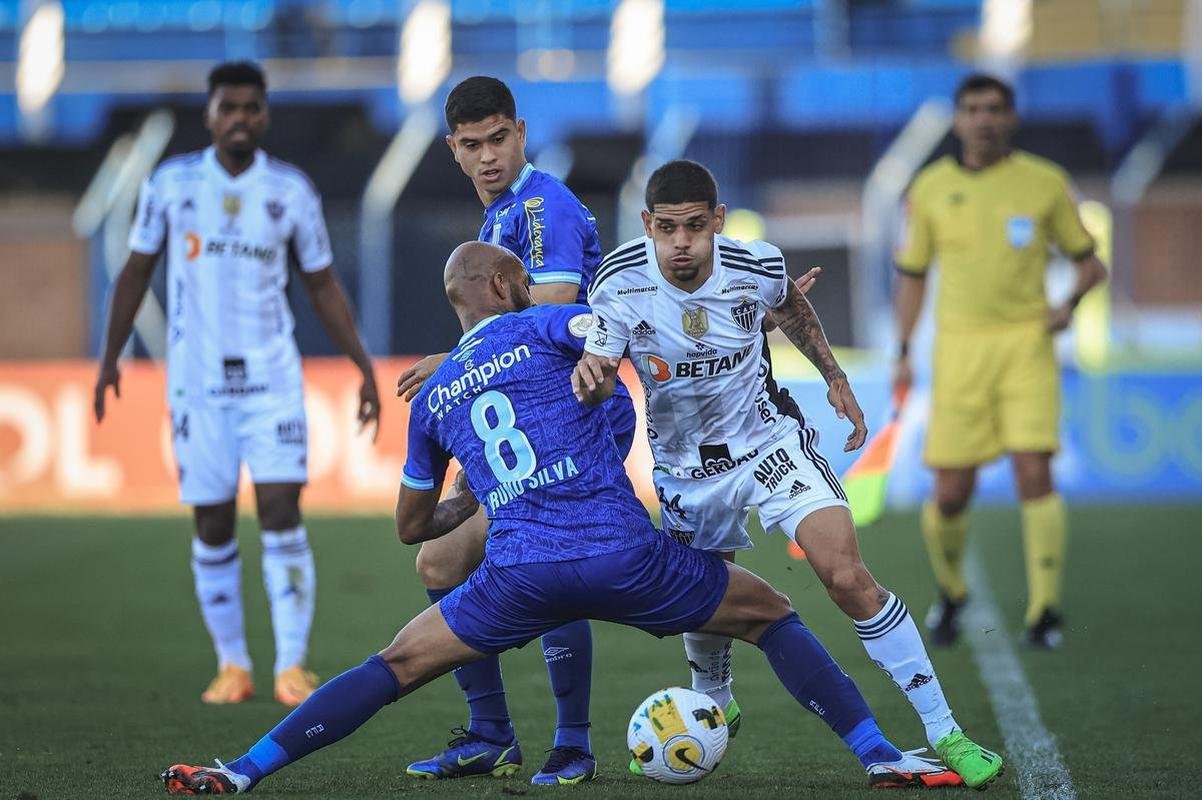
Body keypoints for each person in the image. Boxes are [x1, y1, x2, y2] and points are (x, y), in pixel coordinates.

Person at [160, 241, 961, 795]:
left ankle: (242, 770)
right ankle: (879, 754)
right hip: (623, 556)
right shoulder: (543, 323)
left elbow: (412, 526)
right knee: (772, 613)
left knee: (395, 664)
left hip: (517, 575)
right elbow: (616, 335)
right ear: (504, 287)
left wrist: (476, 496)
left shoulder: (433, 398)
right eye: (523, 281)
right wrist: (738, 315)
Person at [573, 159, 1003, 789]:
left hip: (769, 445)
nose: (682, 242)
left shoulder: (756, 265)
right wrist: (592, 381)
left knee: (846, 575)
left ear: (719, 220)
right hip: (685, 468)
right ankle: (713, 700)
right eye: (667, 228)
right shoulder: (617, 281)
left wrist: (835, 378)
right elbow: (600, 367)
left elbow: (794, 308)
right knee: (706, 598)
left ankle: (945, 731)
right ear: (646, 224)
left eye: (695, 226)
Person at [93, 61, 380, 707]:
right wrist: (110, 357)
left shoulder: (290, 190)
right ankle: (233, 665)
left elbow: (322, 284)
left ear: (265, 115)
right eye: (229, 107)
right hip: (197, 384)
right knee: (214, 519)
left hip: (271, 379)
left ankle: (291, 665)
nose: (241, 118)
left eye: (252, 107)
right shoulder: (171, 184)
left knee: (281, 509)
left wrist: (362, 364)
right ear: (210, 114)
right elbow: (135, 272)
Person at [392, 76, 637, 785]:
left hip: (575, 416)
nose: (488, 156)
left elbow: (546, 323)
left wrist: (452, 360)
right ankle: (491, 734)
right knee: (440, 564)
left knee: (549, 561)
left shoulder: (540, 208)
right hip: (523, 420)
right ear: (453, 149)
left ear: (521, 133)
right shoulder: (499, 217)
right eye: (472, 145)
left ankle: (573, 744)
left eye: (498, 139)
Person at [893, 74, 1107, 649]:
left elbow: (1091, 264)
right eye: (972, 109)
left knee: (1034, 470)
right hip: (959, 349)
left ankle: (1044, 610)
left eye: (994, 109)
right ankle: (952, 591)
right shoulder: (930, 188)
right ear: (957, 120)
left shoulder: (1044, 182)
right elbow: (912, 276)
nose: (983, 119)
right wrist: (904, 350)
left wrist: (1068, 305)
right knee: (949, 493)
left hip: (1026, 345)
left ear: (1011, 117)